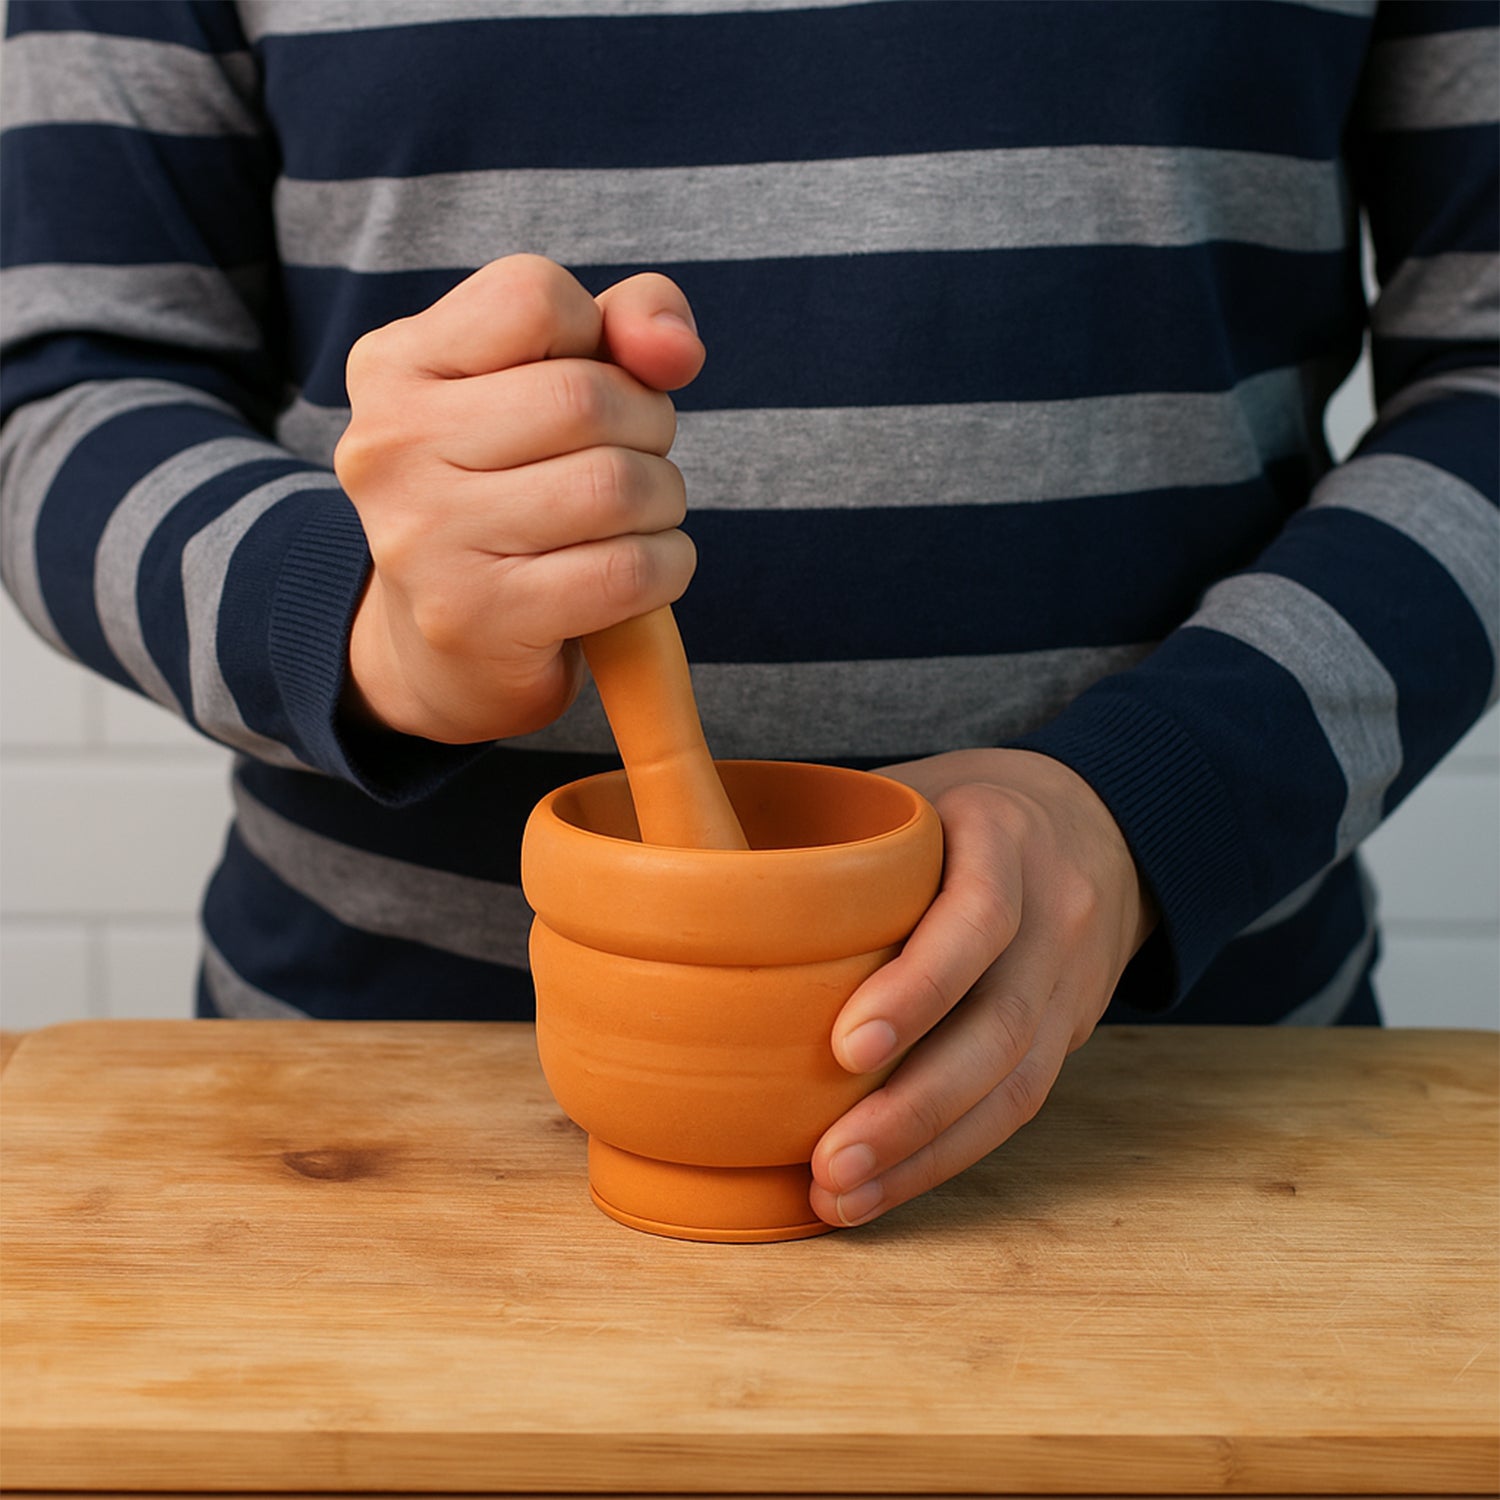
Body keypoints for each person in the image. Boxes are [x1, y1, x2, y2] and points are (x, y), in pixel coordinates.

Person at [2, 0, 1495, 1231]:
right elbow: (65, 390)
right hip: (370, 1142)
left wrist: (1155, 799)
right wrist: (358, 624)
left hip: (1197, 1148)